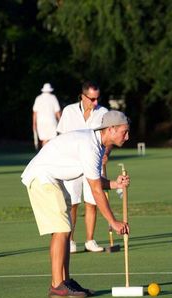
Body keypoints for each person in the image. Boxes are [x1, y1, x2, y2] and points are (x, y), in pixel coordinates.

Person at [21, 110, 131, 298]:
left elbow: (96, 181)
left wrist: (114, 184)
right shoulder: (90, 146)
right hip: (41, 177)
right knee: (62, 230)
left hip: (53, 179)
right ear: (111, 129)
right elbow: (96, 190)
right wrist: (113, 222)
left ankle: (66, 281)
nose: (127, 137)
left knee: (66, 229)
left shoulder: (96, 146)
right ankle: (57, 285)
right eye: (125, 132)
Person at [56, 81, 109, 253]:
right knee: (72, 202)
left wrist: (106, 153)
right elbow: (61, 136)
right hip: (72, 164)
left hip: (94, 162)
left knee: (92, 201)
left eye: (97, 98)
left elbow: (109, 137)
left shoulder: (103, 112)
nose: (95, 102)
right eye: (92, 99)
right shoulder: (69, 111)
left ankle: (90, 240)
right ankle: (70, 240)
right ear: (83, 96)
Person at [32, 83, 61, 148]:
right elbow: (57, 112)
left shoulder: (38, 98)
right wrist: (61, 121)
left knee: (44, 140)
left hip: (41, 122)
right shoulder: (53, 98)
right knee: (52, 140)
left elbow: (35, 112)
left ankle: (44, 155)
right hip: (51, 121)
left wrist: (34, 124)